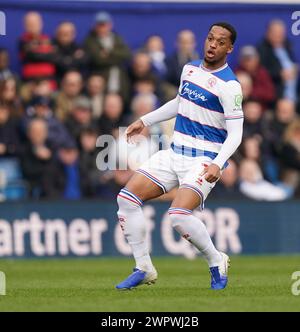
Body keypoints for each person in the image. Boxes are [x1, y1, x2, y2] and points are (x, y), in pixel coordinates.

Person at [115, 22, 244, 290]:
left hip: (204, 160)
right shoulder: (190, 69)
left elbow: (235, 134)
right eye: (210, 38)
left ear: (229, 48)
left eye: (220, 42)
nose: (212, 45)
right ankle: (143, 268)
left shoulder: (230, 86)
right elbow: (179, 102)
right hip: (175, 152)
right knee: (126, 198)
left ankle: (215, 259)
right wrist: (146, 120)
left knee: (178, 214)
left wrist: (218, 164)